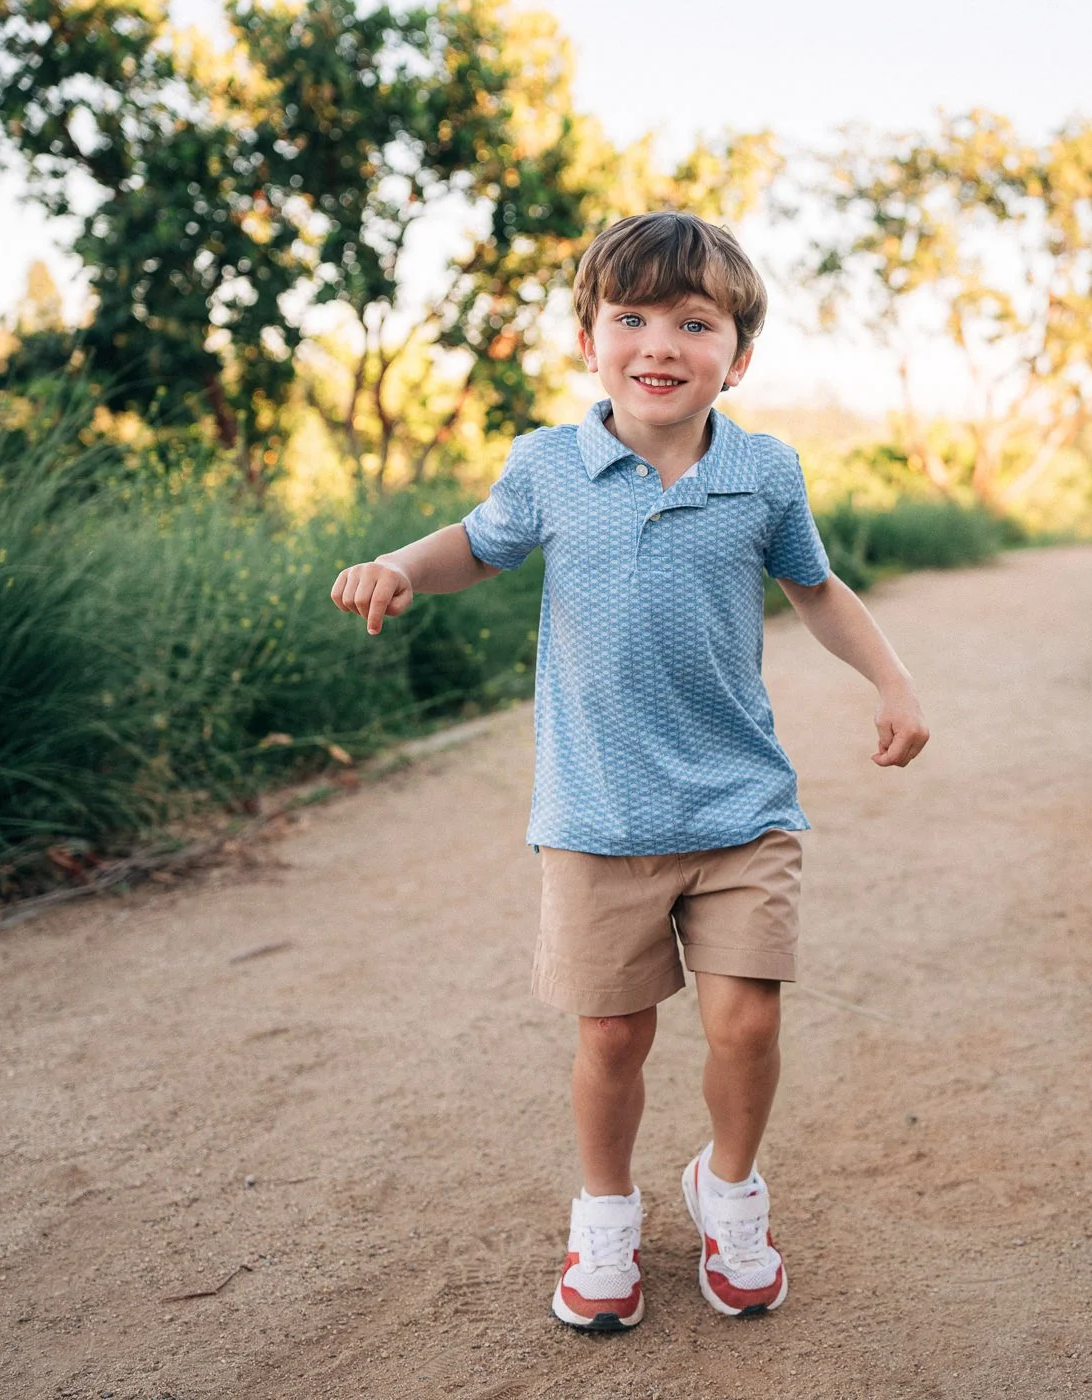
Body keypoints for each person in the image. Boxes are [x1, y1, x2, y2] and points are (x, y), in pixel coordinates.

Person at [328, 211, 929, 1330]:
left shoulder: (763, 472)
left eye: (693, 321)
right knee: (612, 1033)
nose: (660, 341)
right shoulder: (549, 464)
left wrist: (892, 681)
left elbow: (817, 589)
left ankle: (729, 1189)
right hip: (598, 811)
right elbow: (479, 539)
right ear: (590, 340)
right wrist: (403, 565)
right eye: (632, 316)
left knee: (746, 1019)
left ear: (736, 356)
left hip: (742, 804)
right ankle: (604, 1211)